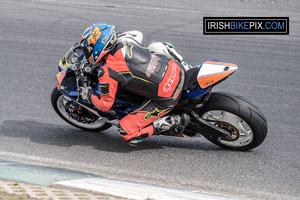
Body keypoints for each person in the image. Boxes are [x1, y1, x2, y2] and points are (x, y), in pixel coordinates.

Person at [79, 22, 190, 145]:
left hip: (168, 95)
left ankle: (169, 122)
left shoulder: (107, 72)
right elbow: (138, 34)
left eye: (87, 50)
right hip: (176, 68)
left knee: (126, 131)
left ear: (98, 48)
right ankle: (187, 66)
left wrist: (88, 95)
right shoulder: (125, 40)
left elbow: (105, 105)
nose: (86, 52)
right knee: (156, 46)